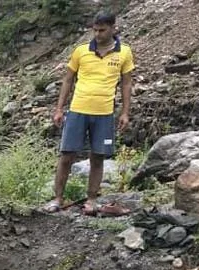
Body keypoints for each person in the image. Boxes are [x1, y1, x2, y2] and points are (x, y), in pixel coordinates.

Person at [48, 11, 134, 215]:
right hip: (78, 110)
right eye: (94, 30)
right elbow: (68, 79)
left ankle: (92, 200)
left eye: (102, 30)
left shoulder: (124, 53)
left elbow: (127, 83)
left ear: (113, 28)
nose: (97, 34)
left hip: (104, 113)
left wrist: (125, 112)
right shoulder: (81, 51)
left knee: (98, 156)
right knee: (67, 155)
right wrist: (59, 108)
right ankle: (58, 198)